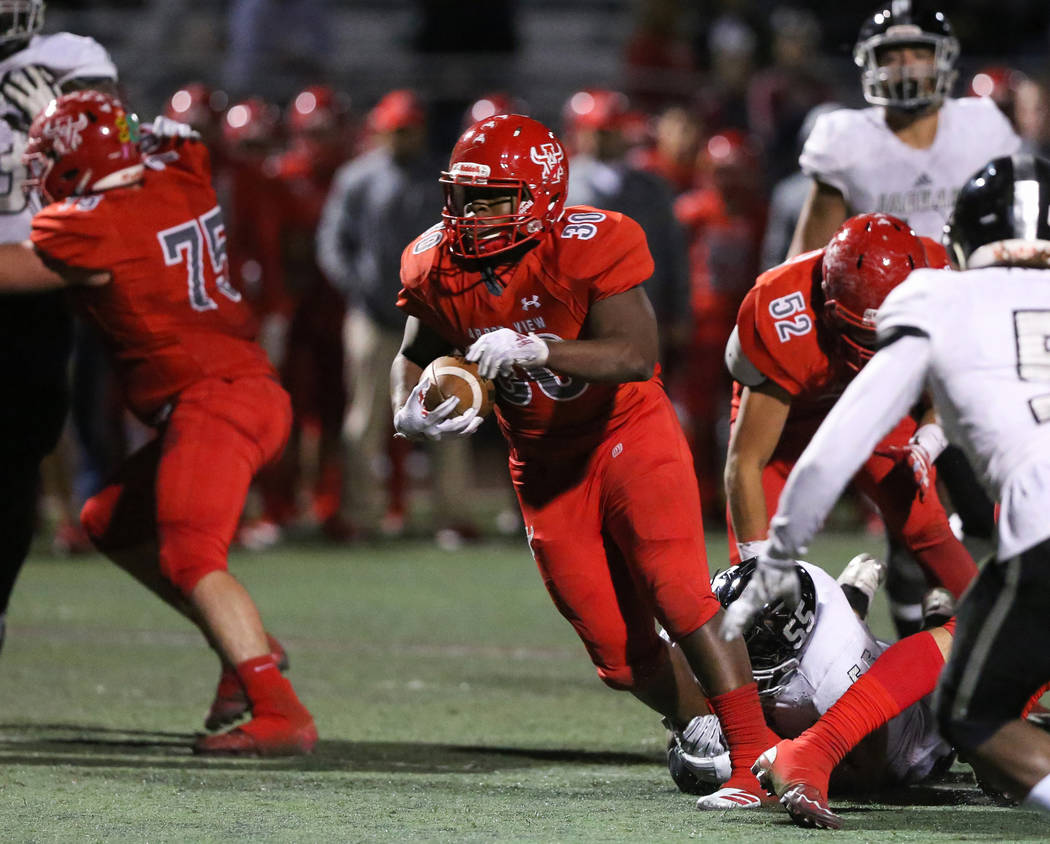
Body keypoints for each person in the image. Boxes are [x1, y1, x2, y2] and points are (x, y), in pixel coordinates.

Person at [390, 112, 781, 810]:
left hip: (627, 434)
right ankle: (703, 723)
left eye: (492, 200)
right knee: (617, 655)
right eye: (463, 199)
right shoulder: (433, 261)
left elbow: (635, 354)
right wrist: (408, 407)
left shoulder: (591, 241)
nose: (471, 217)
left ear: (539, 195)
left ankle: (757, 758)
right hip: (541, 466)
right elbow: (414, 354)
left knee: (679, 593)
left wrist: (540, 348)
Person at [723, 152, 1050, 821]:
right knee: (974, 669)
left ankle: (809, 746)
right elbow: (758, 457)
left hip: (1034, 518)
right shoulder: (789, 306)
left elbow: (831, 456)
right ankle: (794, 742)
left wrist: (778, 553)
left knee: (976, 700)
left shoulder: (943, 294)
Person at [0, 91, 316, 756]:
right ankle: (248, 649)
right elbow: (178, 139)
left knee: (192, 553)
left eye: (49, 160)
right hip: (249, 388)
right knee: (109, 521)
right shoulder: (178, 171)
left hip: (212, 398)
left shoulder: (93, 223)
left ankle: (278, 708)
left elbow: (10, 271)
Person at [788, 1, 1022, 634]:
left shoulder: (980, 128)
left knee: (992, 501)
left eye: (917, 50)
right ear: (869, 63)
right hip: (883, 345)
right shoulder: (847, 139)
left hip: (974, 338)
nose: (905, 64)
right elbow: (804, 261)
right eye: (891, 53)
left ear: (943, 58)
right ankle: (923, 658)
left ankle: (982, 644)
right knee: (910, 513)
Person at [723, 213, 976, 603]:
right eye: (865, 334)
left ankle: (992, 623)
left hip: (870, 404)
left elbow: (942, 390)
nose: (878, 349)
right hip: (790, 416)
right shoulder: (782, 311)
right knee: (754, 585)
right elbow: (747, 463)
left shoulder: (942, 282)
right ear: (828, 303)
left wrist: (926, 443)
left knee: (926, 526)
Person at [0, 0, 119, 653]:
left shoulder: (71, 60)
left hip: (32, 300)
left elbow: (109, 191)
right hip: (36, 280)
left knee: (16, 466)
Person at [317, 89, 475, 543]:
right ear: (381, 129)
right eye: (396, 129)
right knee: (365, 420)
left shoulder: (441, 179)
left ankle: (452, 514)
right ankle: (363, 515)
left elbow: (464, 238)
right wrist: (357, 287)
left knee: (452, 408)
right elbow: (332, 242)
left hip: (436, 315)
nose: (403, 137)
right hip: (371, 313)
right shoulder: (357, 178)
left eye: (410, 129)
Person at [668, 558, 953, 799]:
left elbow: (868, 775)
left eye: (742, 644)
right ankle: (854, 601)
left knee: (944, 690)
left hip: (912, 738)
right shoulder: (796, 582)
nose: (725, 650)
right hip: (849, 652)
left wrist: (771, 760)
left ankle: (937, 621)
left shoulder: (835, 671)